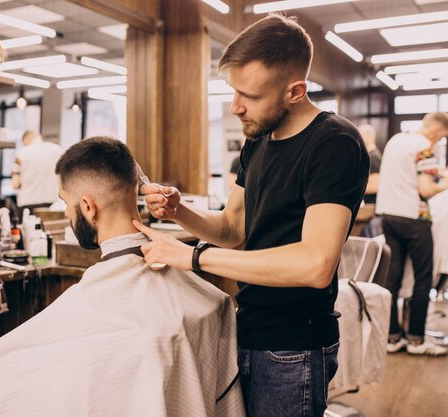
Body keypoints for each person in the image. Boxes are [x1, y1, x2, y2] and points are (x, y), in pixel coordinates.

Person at [0, 137, 244, 417]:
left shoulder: (100, 294)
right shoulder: (208, 299)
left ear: (88, 206)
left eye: (66, 202)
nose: (68, 212)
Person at [134, 15, 369, 417]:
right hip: (250, 328)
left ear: (295, 90)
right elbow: (231, 229)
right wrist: (180, 212)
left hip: (294, 346)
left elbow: (315, 264)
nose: (235, 107)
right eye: (233, 91)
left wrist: (191, 257)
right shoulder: (258, 143)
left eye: (250, 95)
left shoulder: (334, 144)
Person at [375, 112, 448, 356]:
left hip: (389, 215)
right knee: (423, 279)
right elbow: (426, 189)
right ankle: (416, 340)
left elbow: (406, 175)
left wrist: (436, 173)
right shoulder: (424, 146)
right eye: (441, 138)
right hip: (414, 218)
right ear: (437, 131)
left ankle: (392, 337)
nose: (439, 141)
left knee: (393, 278)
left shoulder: (396, 140)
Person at [11, 130, 63, 218]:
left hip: (28, 203)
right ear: (39, 137)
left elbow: (15, 184)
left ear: (25, 141)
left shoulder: (21, 154)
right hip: (53, 203)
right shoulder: (58, 150)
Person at [358, 124, 381, 205]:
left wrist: (353, 188)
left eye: (359, 135)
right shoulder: (370, 156)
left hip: (371, 206)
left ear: (368, 137)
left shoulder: (373, 158)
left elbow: (375, 185)